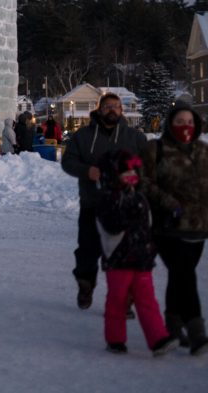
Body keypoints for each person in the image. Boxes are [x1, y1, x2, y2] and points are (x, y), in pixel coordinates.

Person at [61, 93, 147, 310]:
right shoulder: (83, 136)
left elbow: (148, 165)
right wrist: (86, 170)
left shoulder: (134, 137)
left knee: (123, 254)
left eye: (116, 106)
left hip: (125, 206)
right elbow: (68, 161)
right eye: (108, 106)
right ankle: (86, 284)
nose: (112, 110)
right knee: (87, 250)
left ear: (121, 110)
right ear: (99, 109)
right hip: (93, 202)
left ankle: (124, 299)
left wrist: (134, 174)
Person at [95, 149, 178, 356]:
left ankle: (158, 339)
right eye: (125, 171)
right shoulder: (108, 198)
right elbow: (111, 226)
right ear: (113, 174)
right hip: (118, 259)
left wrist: (153, 243)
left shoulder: (138, 196)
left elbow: (147, 225)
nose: (130, 175)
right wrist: (127, 216)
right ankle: (115, 339)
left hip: (141, 259)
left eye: (132, 171)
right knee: (118, 300)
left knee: (147, 300)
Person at [141, 102, 208, 356]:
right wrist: (167, 202)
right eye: (180, 122)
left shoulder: (202, 151)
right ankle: (196, 330)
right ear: (170, 124)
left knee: (181, 275)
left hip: (198, 227)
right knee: (185, 276)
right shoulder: (155, 149)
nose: (185, 127)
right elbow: (143, 181)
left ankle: (172, 323)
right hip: (167, 226)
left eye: (189, 123)